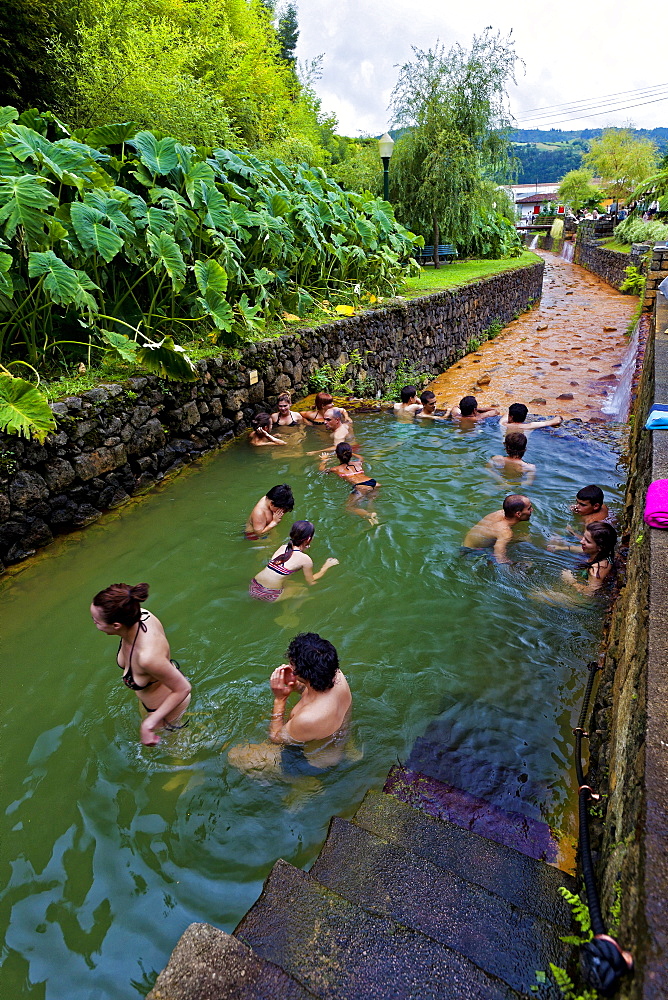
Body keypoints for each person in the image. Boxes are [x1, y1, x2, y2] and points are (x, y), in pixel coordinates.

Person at [227, 632, 352, 776]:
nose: (289, 666)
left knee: (235, 756)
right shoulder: (336, 674)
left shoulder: (308, 718)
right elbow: (313, 692)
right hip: (337, 740)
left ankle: (306, 785)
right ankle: (351, 750)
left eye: (292, 664)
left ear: (303, 672)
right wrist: (295, 686)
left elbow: (276, 738)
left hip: (313, 763)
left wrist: (280, 699)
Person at [90, 583, 191, 746]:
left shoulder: (147, 657)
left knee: (176, 757)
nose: (95, 624)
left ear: (116, 625)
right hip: (153, 694)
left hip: (166, 710)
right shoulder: (138, 614)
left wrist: (149, 724)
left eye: (96, 621)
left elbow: (183, 688)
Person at [249, 520, 339, 602]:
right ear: (308, 539)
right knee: (303, 590)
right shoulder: (306, 560)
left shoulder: (283, 547)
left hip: (253, 586)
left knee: (291, 583)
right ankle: (289, 615)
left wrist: (303, 547)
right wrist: (326, 566)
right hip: (269, 594)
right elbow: (311, 582)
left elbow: (291, 558)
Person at [462, 494, 533, 564]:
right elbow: (500, 558)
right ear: (518, 514)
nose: (532, 510)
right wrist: (518, 563)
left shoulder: (500, 513)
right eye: (529, 508)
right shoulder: (505, 532)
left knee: (522, 537)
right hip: (472, 553)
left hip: (466, 543)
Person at [320, 442, 380, 524]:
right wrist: (351, 453)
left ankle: (368, 515)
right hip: (374, 483)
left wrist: (324, 460)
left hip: (361, 486)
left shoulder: (336, 469)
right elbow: (361, 457)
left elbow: (322, 470)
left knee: (349, 507)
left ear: (337, 455)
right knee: (370, 500)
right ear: (350, 454)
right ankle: (374, 518)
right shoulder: (358, 463)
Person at [561, 522, 617, 594]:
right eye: (584, 537)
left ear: (600, 547)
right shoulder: (605, 554)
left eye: (587, 541)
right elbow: (582, 549)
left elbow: (590, 592)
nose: (581, 541)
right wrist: (562, 548)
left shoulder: (596, 570)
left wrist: (571, 581)